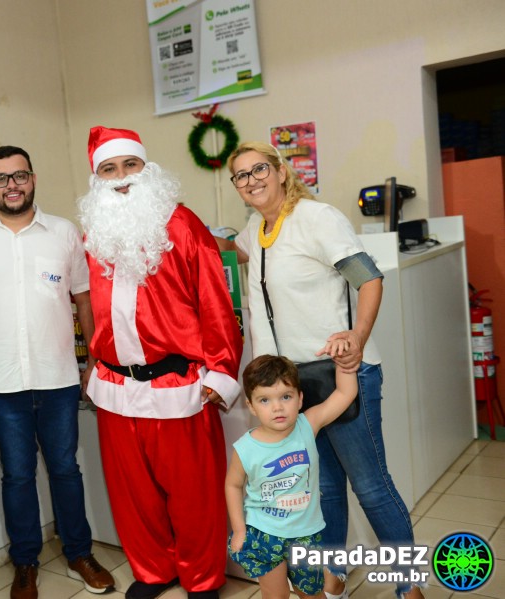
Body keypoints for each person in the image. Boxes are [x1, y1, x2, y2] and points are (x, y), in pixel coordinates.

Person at [228, 141, 424, 599]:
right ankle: (331, 577)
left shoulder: (317, 218)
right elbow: (230, 251)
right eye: (241, 175)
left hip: (341, 373)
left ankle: (408, 585)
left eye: (260, 169)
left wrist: (355, 337)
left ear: (280, 171)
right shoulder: (255, 228)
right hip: (290, 386)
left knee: (371, 486)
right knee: (326, 490)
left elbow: (369, 278)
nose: (252, 180)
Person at [77, 126, 243, 599]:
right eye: (109, 169)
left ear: (146, 168)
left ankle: (203, 578)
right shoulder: (94, 236)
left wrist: (223, 369)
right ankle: (153, 571)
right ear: (97, 179)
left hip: (179, 384)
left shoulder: (184, 225)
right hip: (116, 387)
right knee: (135, 496)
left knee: (194, 495)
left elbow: (215, 301)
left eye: (130, 165)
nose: (121, 177)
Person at [0, 145, 116, 599]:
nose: (12, 185)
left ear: (33, 178)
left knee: (66, 470)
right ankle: (25, 563)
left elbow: (83, 300)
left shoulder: (64, 233)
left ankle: (79, 553)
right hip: (2, 381)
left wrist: (93, 363)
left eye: (19, 175)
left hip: (60, 379)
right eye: (1, 178)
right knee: (17, 475)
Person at [226, 354, 357, 599]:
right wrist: (240, 529)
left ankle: (333, 580)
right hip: (263, 534)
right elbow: (233, 485)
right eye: (265, 400)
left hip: (306, 535)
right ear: (251, 406)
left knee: (312, 594)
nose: (277, 407)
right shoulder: (245, 448)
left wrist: (343, 360)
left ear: (300, 399)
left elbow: (344, 394)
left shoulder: (308, 425)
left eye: (285, 397)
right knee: (276, 596)